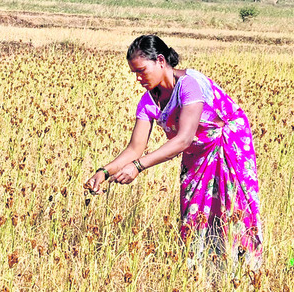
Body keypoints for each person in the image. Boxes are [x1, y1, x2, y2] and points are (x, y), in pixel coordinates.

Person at [85, 35, 262, 268]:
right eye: (134, 74)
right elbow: (135, 148)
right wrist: (103, 172)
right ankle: (200, 271)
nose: (138, 79)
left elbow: (184, 139)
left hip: (228, 145)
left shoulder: (190, 85)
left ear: (160, 61)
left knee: (233, 207)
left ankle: (241, 270)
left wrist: (138, 167)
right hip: (196, 153)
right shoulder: (148, 101)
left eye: (141, 71)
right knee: (194, 212)